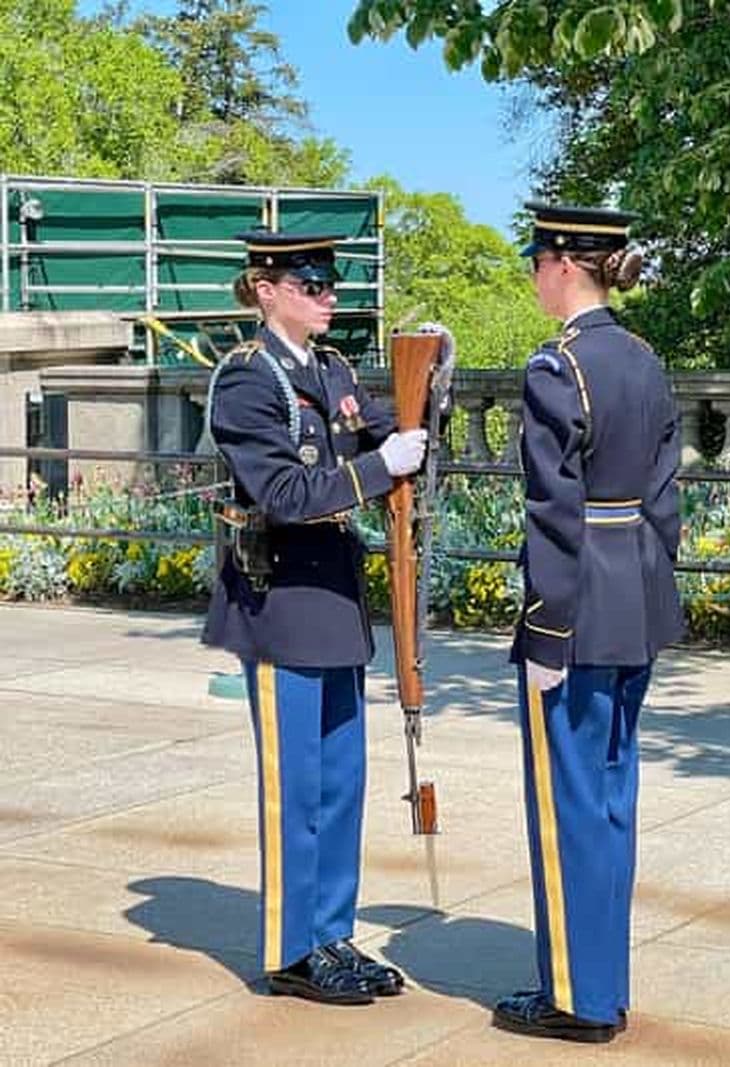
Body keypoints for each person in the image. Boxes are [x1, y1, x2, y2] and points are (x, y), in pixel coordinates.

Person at [201, 230, 429, 1005]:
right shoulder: (248, 378)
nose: (328, 294)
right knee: (295, 788)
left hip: (333, 600)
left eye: (332, 282)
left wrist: (428, 388)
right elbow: (283, 494)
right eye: (311, 283)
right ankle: (292, 949)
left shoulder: (332, 369)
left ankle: (331, 932)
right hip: (281, 601)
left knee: (340, 784)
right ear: (267, 289)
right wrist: (377, 466)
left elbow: (387, 430)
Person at [493, 203, 684, 1043]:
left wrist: (546, 628)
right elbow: (665, 502)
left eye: (537, 262)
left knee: (568, 805)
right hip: (636, 600)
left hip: (576, 613)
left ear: (564, 265)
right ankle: (605, 984)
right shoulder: (644, 360)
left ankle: (577, 999)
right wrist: (644, 587)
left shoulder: (556, 368)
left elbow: (554, 513)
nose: (535, 276)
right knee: (610, 800)